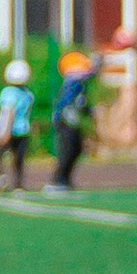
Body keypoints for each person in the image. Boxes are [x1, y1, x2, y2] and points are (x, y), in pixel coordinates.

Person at [51, 46, 96, 191]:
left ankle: (66, 179)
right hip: (65, 121)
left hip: (72, 121)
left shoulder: (80, 85)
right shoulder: (72, 84)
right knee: (68, 149)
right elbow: (70, 102)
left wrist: (89, 111)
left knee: (77, 149)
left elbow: (82, 103)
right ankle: (59, 180)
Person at [0, 53, 34, 193]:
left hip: (10, 129)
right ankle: (18, 184)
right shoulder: (28, 94)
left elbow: (9, 112)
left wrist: (5, 132)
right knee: (18, 159)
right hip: (24, 130)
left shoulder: (8, 92)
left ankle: (1, 177)